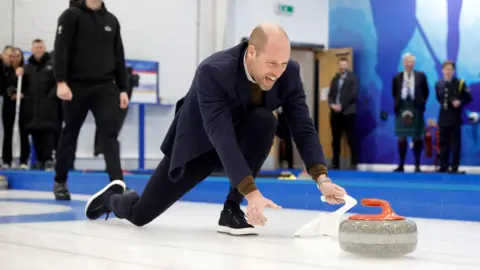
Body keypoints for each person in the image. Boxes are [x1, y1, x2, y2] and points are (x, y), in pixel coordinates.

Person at [84, 24, 348, 235]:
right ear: (252, 52)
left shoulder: (288, 73)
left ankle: (231, 210)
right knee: (141, 215)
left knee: (264, 120)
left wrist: (321, 179)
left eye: (283, 63)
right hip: (199, 145)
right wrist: (252, 192)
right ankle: (113, 198)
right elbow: (220, 135)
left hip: (242, 142)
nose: (277, 72)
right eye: (271, 64)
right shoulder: (213, 71)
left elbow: (302, 126)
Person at [53, 0, 130, 200]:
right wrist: (61, 81)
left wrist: (123, 88)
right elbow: (60, 49)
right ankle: (60, 180)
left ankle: (118, 183)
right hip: (75, 86)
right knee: (70, 133)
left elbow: (119, 56)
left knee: (109, 134)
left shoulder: (111, 20)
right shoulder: (71, 15)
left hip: (104, 86)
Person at [22, 39, 59, 170]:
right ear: (32, 49)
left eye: (41, 47)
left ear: (44, 48)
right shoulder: (27, 67)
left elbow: (58, 82)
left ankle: (48, 159)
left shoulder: (52, 64)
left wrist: (51, 96)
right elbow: (22, 86)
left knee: (48, 132)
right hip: (32, 106)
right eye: (36, 47)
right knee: (35, 132)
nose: (39, 50)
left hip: (49, 106)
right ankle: (39, 159)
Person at [392, 53, 429, 172]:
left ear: (414, 63)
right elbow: (394, 93)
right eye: (407, 61)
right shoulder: (397, 77)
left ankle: (417, 165)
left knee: (417, 137)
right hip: (402, 106)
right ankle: (401, 165)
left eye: (411, 61)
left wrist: (420, 102)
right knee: (401, 138)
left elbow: (426, 92)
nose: (409, 64)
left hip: (416, 107)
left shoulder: (421, 75)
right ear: (403, 63)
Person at [435, 60, 472, 173]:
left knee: (455, 143)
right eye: (446, 69)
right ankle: (443, 166)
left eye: (450, 69)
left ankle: (454, 166)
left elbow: (468, 97)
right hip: (443, 117)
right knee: (443, 142)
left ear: (454, 71)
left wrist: (460, 102)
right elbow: (439, 99)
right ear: (442, 71)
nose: (448, 71)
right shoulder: (438, 84)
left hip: (455, 117)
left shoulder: (460, 83)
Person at [1, 47, 31, 170]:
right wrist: (12, 93)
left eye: (18, 56)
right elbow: (3, 85)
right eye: (12, 56)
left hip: (24, 104)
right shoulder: (4, 70)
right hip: (9, 104)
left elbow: (31, 87)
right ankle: (6, 160)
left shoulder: (26, 70)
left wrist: (24, 94)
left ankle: (24, 160)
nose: (15, 58)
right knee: (8, 132)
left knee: (24, 132)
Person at [327, 57, 358, 170]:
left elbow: (353, 95)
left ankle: (354, 163)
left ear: (347, 65)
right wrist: (332, 104)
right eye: (340, 65)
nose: (342, 67)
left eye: (344, 65)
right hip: (335, 113)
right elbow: (330, 94)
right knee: (335, 139)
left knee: (351, 138)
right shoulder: (335, 78)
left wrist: (342, 106)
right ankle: (335, 163)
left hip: (348, 113)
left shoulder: (353, 78)